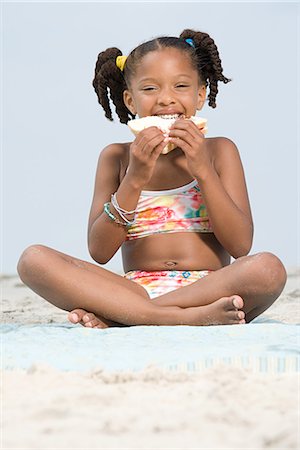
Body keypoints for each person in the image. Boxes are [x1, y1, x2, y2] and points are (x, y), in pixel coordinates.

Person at [17, 29, 287, 328]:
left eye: (181, 86)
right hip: (133, 289)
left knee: (268, 269)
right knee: (33, 260)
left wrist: (203, 171)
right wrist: (134, 178)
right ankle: (172, 318)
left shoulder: (219, 151)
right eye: (150, 89)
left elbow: (240, 246)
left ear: (200, 95)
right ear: (130, 101)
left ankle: (128, 316)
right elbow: (100, 251)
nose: (166, 99)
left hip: (210, 288)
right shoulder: (116, 157)